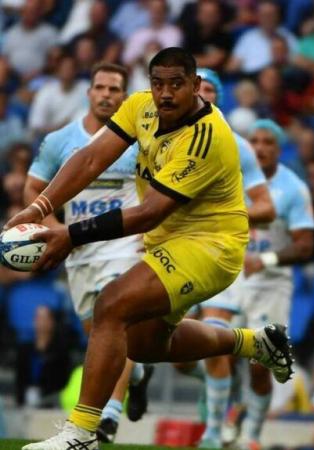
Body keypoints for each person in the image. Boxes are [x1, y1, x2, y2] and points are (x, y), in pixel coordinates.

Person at [12, 47, 294, 450]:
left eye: (176, 84)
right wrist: (39, 207)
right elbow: (91, 158)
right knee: (145, 346)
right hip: (168, 240)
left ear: (196, 86)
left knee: (111, 305)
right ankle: (254, 343)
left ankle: (82, 433)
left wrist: (69, 235)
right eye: (157, 83)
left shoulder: (207, 137)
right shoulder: (140, 106)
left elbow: (148, 212)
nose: (164, 94)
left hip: (211, 245)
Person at [23, 62, 153, 443]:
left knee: (117, 319)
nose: (107, 95)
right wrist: (52, 228)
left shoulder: (139, 142)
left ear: (125, 96)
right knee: (99, 334)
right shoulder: (60, 140)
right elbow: (34, 188)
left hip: (126, 246)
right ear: (89, 92)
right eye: (101, 87)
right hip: (79, 250)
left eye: (115, 89)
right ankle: (139, 374)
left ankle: (107, 416)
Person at [172, 68, 276, 449]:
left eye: (209, 88)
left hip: (218, 255)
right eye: (195, 87)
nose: (202, 93)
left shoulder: (236, 145)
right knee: (175, 353)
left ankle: (214, 433)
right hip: (174, 254)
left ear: (217, 97)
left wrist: (222, 214)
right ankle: (219, 388)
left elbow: (266, 208)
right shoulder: (167, 140)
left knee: (214, 339)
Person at [221, 118, 314, 450]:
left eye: (268, 142)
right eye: (255, 141)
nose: (260, 148)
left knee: (259, 365)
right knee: (215, 349)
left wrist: (267, 259)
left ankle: (252, 435)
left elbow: (305, 245)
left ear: (279, 149)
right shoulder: (235, 179)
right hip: (232, 278)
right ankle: (224, 417)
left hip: (271, 285)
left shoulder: (293, 188)